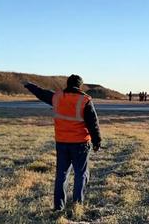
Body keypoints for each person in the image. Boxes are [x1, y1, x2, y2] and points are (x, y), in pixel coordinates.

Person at [23, 75, 102, 211]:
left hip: (62, 143)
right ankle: (77, 205)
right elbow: (93, 123)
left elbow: (41, 93)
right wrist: (97, 141)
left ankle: (58, 206)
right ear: (80, 86)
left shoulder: (57, 97)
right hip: (80, 143)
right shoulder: (85, 100)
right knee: (81, 174)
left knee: (61, 175)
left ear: (67, 84)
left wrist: (29, 85)